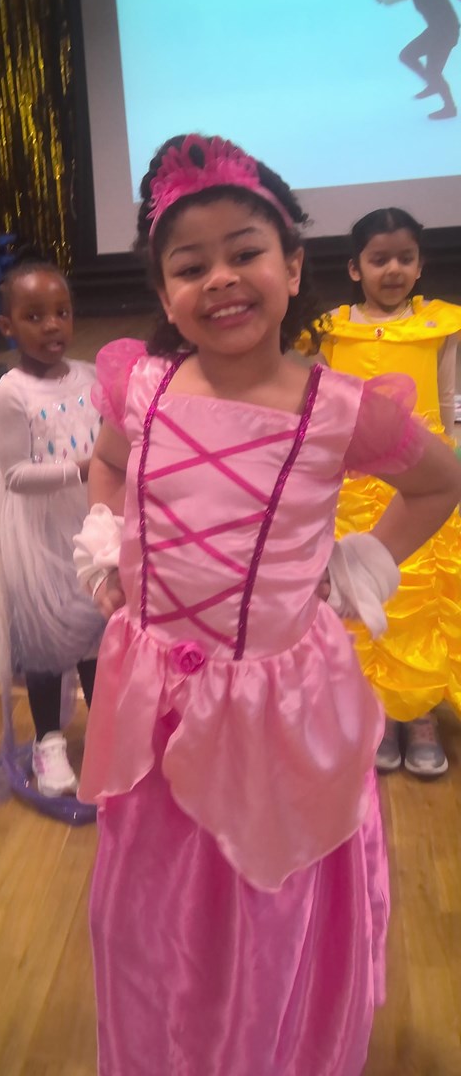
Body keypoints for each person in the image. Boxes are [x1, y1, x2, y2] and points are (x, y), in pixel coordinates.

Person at [71, 135, 461, 1075]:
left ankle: (262, 1042)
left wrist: (363, 561)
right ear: (164, 291)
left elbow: (440, 481)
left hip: (272, 715)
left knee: (260, 896)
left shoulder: (339, 410)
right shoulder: (142, 388)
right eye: (189, 265)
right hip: (156, 701)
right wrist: (106, 541)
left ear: (292, 267)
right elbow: (109, 466)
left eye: (244, 251)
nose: (220, 278)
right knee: (157, 901)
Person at [310, 207, 461, 778]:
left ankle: (418, 713)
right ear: (355, 268)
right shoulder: (331, 330)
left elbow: (449, 406)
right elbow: (320, 404)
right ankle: (370, 708)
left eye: (405, 258)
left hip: (421, 485)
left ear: (420, 265)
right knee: (355, 591)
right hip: (352, 489)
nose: (392, 269)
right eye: (379, 259)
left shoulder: (439, 327)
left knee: (416, 596)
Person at [0, 259, 104, 797]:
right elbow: (14, 475)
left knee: (95, 625)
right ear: (7, 325)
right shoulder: (10, 393)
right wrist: (82, 469)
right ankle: (48, 740)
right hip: (36, 531)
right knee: (46, 634)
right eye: (34, 316)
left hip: (87, 519)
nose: (52, 325)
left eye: (62, 312)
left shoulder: (91, 376)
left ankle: (105, 730)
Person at [375, 0, 459, 120]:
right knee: (411, 58)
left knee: (429, 69)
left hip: (444, 32)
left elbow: (391, 0)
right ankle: (433, 85)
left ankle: (448, 106)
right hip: (439, 30)